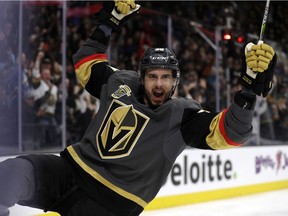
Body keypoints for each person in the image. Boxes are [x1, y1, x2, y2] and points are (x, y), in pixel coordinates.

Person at [0, 1, 277, 216]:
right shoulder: (121, 83)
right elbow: (86, 64)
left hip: (111, 204)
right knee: (10, 173)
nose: (159, 84)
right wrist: (109, 21)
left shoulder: (182, 115)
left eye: (166, 77)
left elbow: (230, 134)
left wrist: (249, 91)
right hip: (70, 171)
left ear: (175, 81)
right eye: (153, 76)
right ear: (141, 76)